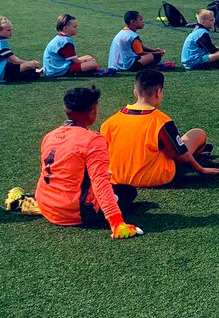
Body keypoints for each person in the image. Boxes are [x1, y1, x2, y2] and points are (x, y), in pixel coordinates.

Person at [26, 85, 142, 239]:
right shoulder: (93, 140)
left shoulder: (50, 136)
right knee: (127, 191)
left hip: (46, 206)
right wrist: (116, 222)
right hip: (76, 213)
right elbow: (100, 182)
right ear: (92, 111)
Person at [100, 68, 219, 187]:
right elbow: (182, 155)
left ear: (135, 92)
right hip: (155, 177)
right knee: (197, 134)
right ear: (159, 92)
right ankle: (200, 156)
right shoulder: (161, 121)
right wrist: (201, 169)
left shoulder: (110, 121)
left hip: (116, 177)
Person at [43, 13, 100, 77]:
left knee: (88, 57)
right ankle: (99, 72)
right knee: (93, 64)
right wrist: (87, 63)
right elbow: (76, 61)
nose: (77, 28)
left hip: (54, 67)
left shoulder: (60, 38)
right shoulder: (65, 42)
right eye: (74, 27)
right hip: (58, 70)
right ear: (65, 28)